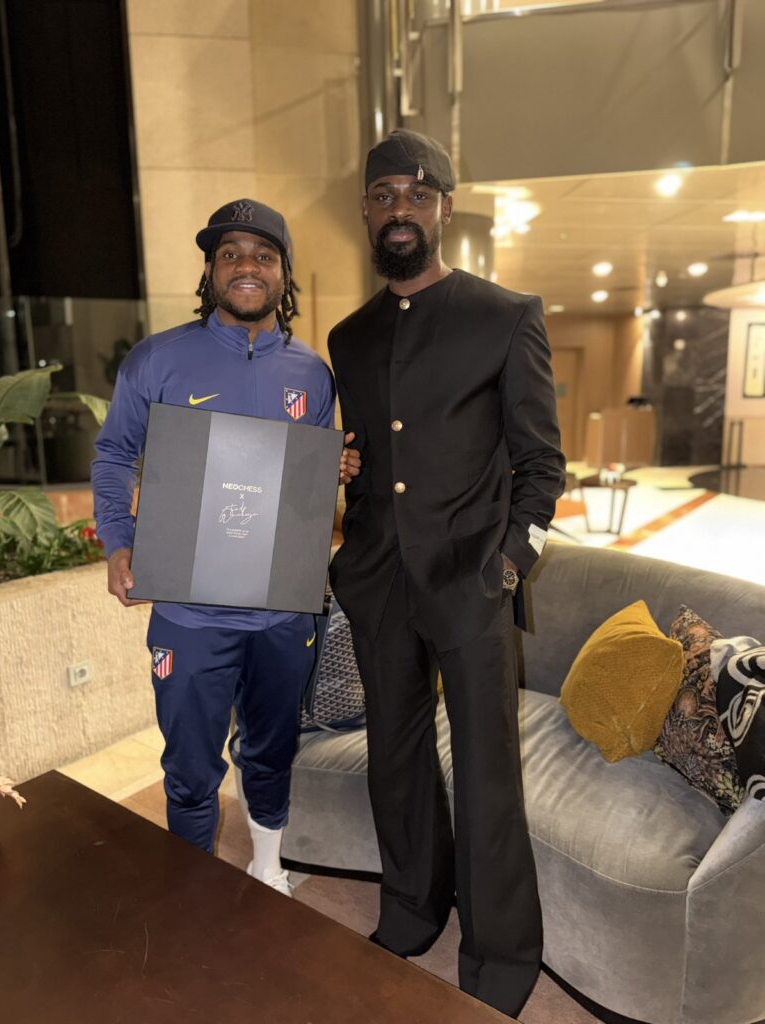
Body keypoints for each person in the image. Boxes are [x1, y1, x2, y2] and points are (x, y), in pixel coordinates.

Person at [327, 131, 566, 1016]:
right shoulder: (348, 337)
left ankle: (501, 957)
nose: (400, 210)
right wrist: (342, 477)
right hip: (380, 581)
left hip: (473, 584)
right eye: (384, 195)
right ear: (365, 212)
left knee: (487, 771)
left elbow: (542, 463)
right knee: (393, 759)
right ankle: (410, 909)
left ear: (445, 209)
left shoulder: (506, 314)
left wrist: (508, 565)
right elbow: (368, 455)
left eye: (417, 195)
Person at [92, 198, 359, 895]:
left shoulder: (312, 374)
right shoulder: (158, 360)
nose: (247, 265)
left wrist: (331, 469)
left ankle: (268, 865)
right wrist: (118, 541)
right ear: (210, 271)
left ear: (284, 274)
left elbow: (304, 495)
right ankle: (195, 892)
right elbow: (115, 455)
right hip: (189, 612)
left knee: (272, 748)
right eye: (230, 253)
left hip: (281, 610)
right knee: (189, 765)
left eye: (263, 255)